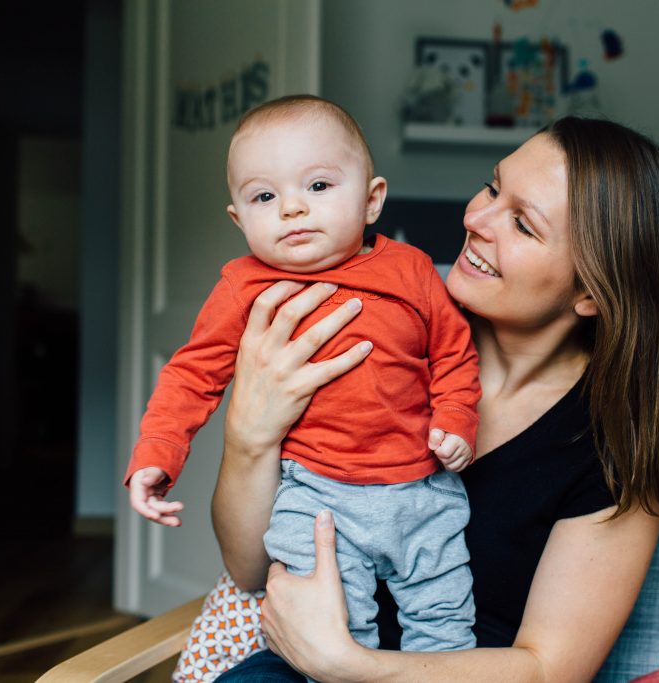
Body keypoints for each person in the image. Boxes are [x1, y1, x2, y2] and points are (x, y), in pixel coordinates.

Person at [199, 115, 659, 682]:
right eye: (491, 186)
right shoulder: (381, 329)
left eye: (523, 225)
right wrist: (248, 435)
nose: (475, 219)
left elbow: (550, 668)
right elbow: (248, 570)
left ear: (591, 291)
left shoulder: (618, 443)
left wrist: (346, 665)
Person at [124, 95, 482, 660]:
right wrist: (155, 454)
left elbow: (455, 356)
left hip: (422, 490)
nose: (292, 208)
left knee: (444, 628)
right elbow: (191, 376)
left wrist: (456, 419)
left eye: (318, 186)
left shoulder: (411, 269)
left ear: (371, 201)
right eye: (265, 196)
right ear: (240, 219)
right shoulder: (243, 287)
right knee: (330, 636)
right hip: (315, 495)